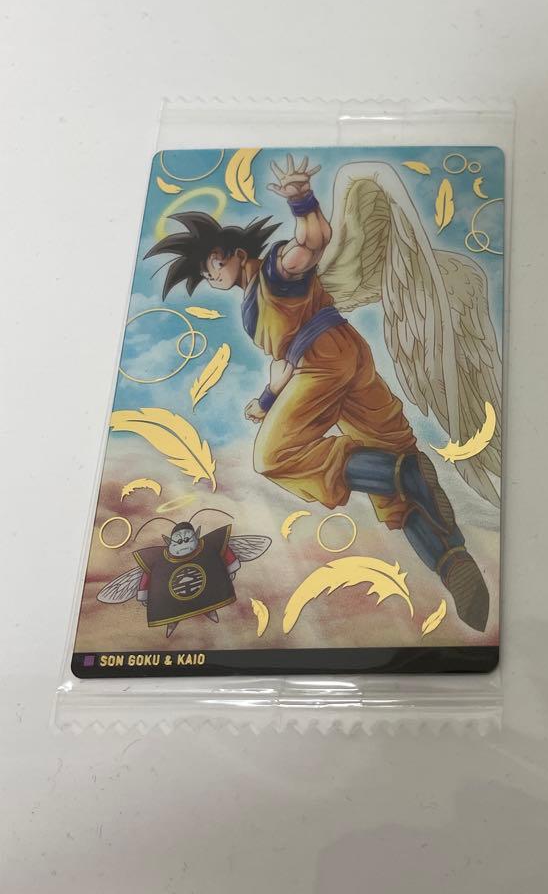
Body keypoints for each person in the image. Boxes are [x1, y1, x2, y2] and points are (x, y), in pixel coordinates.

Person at [145, 155, 489, 631]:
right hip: (346, 361)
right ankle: (455, 566)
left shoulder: (275, 271)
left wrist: (301, 199)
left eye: (214, 264)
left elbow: (312, 242)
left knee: (274, 457)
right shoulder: (257, 296)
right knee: (394, 487)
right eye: (206, 275)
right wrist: (267, 400)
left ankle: (401, 471)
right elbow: (285, 360)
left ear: (237, 253)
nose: (213, 276)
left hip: (325, 366)